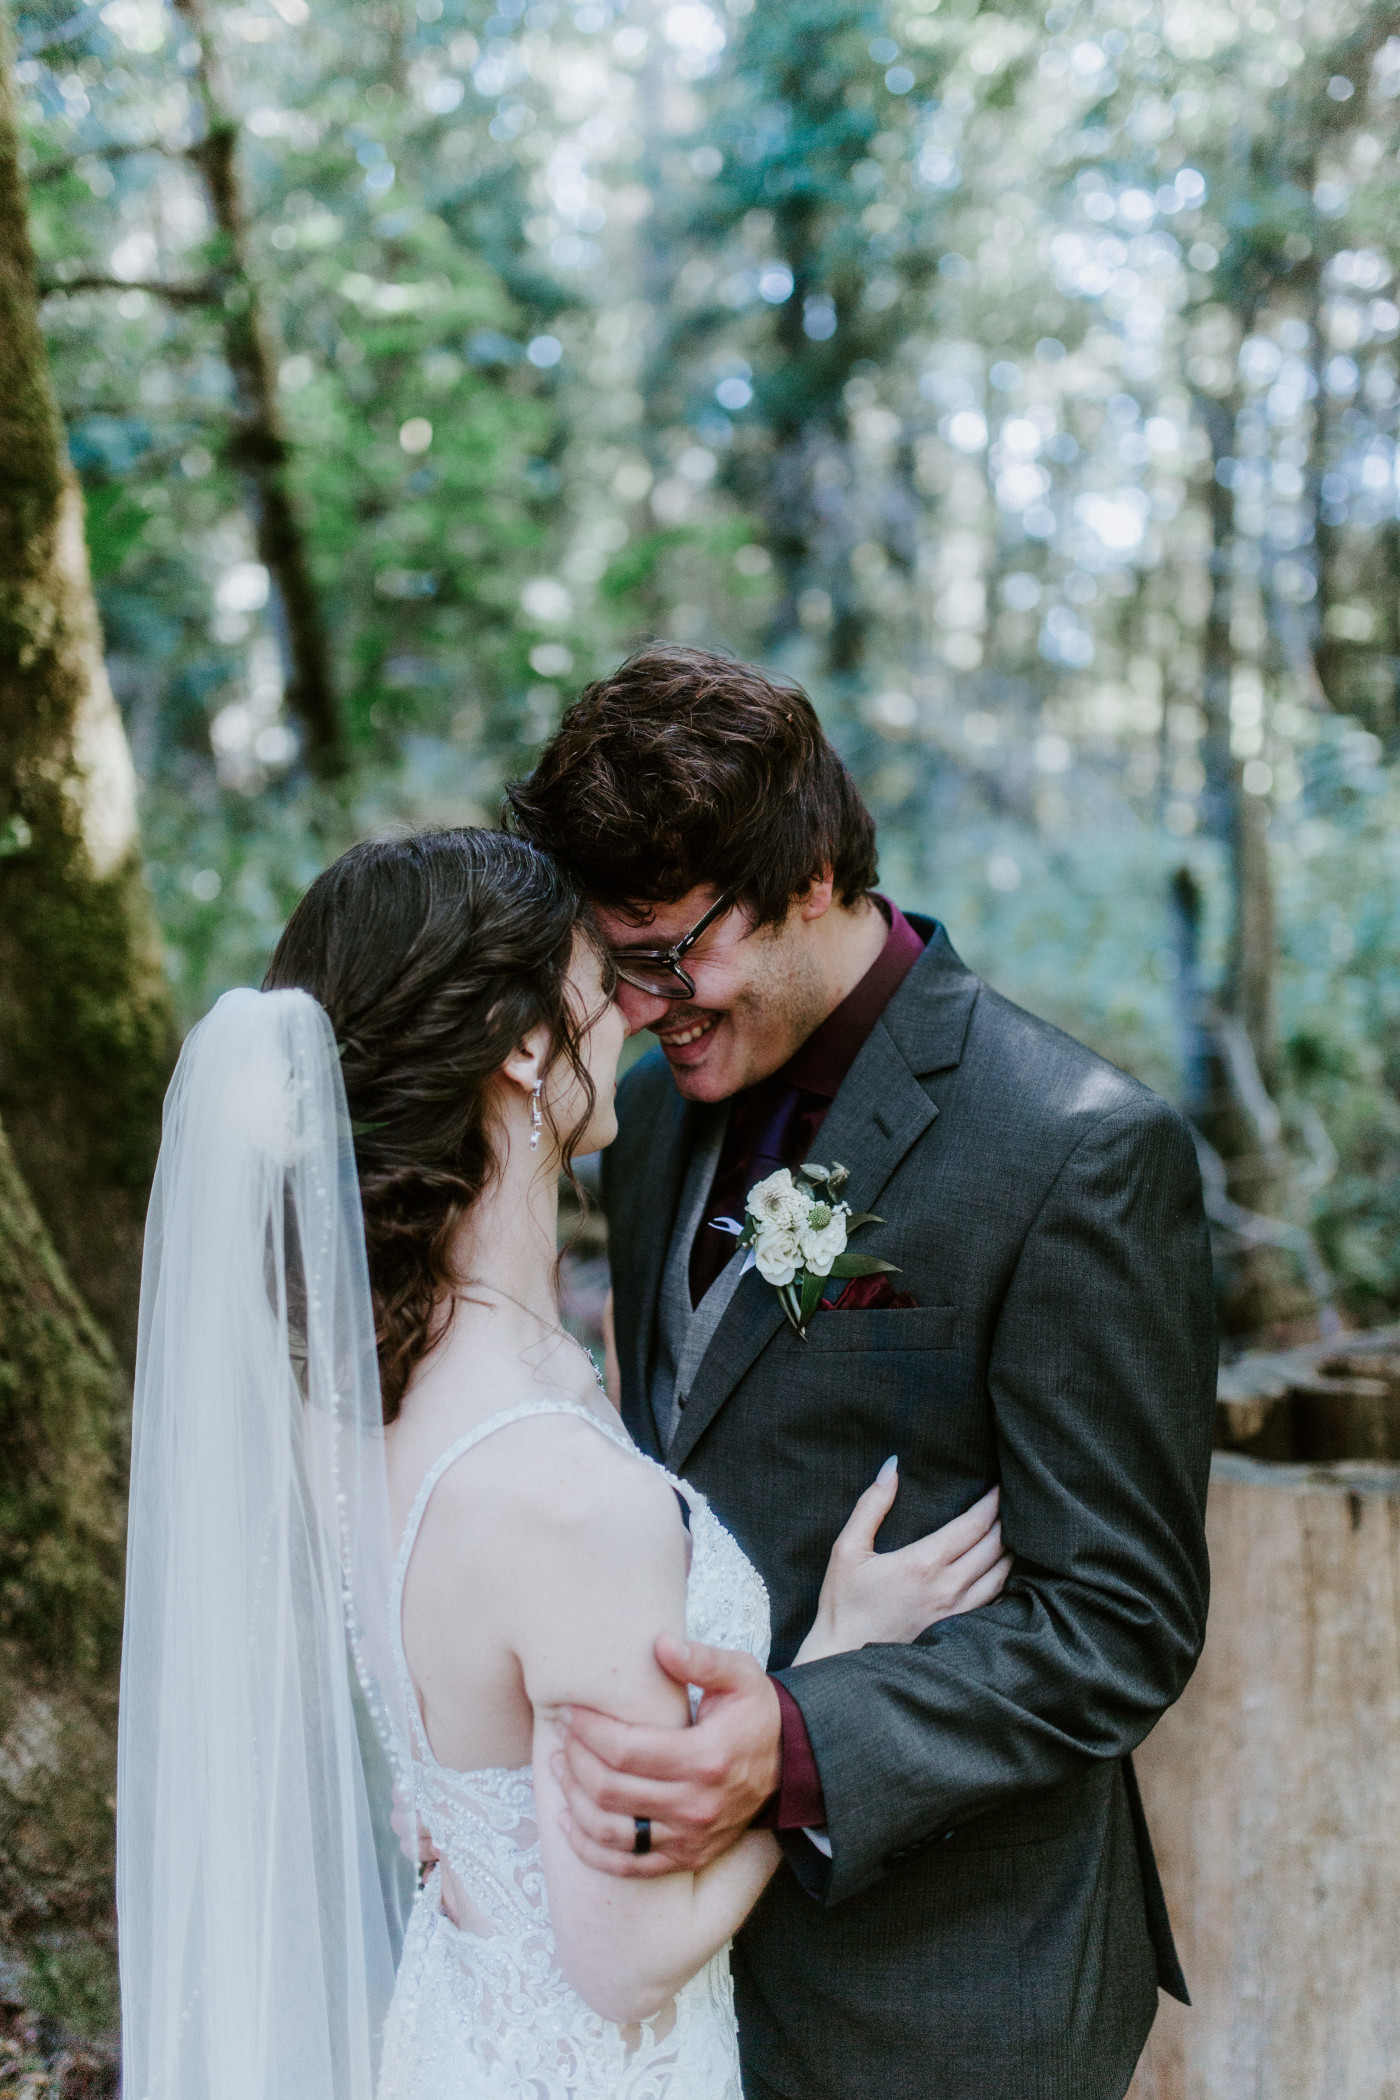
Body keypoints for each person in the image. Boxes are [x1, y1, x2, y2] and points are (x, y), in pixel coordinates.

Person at [116, 827, 1010, 2100]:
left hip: (454, 2025)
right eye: (603, 978)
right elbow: (626, 1955)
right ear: (528, 1045)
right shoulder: (562, 1499)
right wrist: (834, 1674)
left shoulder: (365, 1398)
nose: (640, 1011)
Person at [506, 645, 1219, 2100]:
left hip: (955, 1991)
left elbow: (1122, 1621)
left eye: (670, 952)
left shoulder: (1077, 1148)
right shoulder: (647, 1124)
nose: (644, 1009)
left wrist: (805, 1741)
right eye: (615, 964)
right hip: (698, 1968)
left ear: (815, 870)